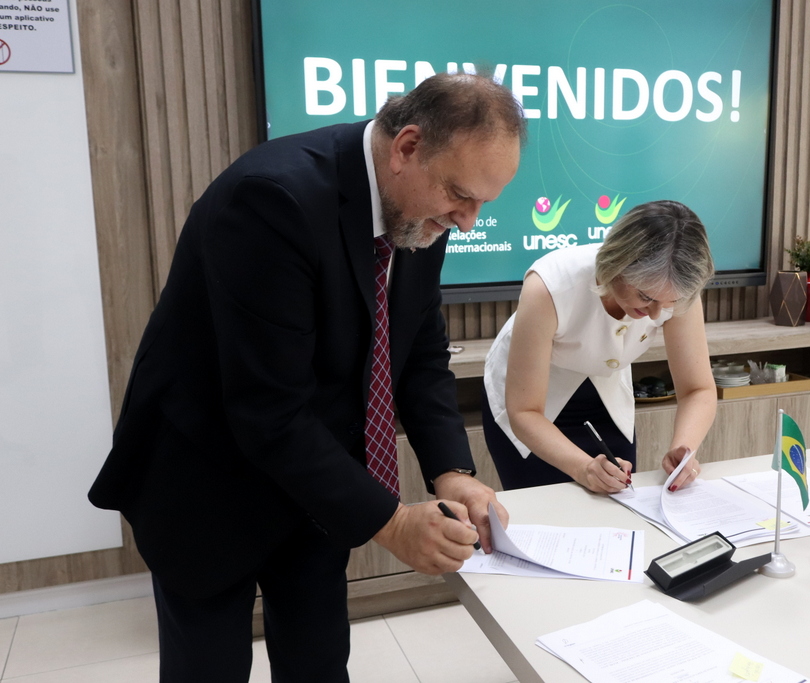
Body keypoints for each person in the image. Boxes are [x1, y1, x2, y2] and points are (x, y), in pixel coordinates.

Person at [88, 73, 524, 682]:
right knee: (207, 669)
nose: (469, 221)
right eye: (460, 196)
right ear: (407, 147)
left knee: (317, 663)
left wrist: (453, 471)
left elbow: (420, 355)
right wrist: (395, 522)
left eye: (482, 204)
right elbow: (267, 408)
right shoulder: (273, 200)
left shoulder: (421, 210)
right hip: (208, 481)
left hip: (316, 480)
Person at [482, 200, 717, 494]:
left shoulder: (676, 288)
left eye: (669, 303)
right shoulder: (549, 285)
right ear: (618, 266)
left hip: (606, 399)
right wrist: (582, 467)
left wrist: (684, 449)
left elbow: (697, 389)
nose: (657, 314)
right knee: (545, 508)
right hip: (530, 406)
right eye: (646, 297)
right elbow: (524, 412)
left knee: (617, 499)